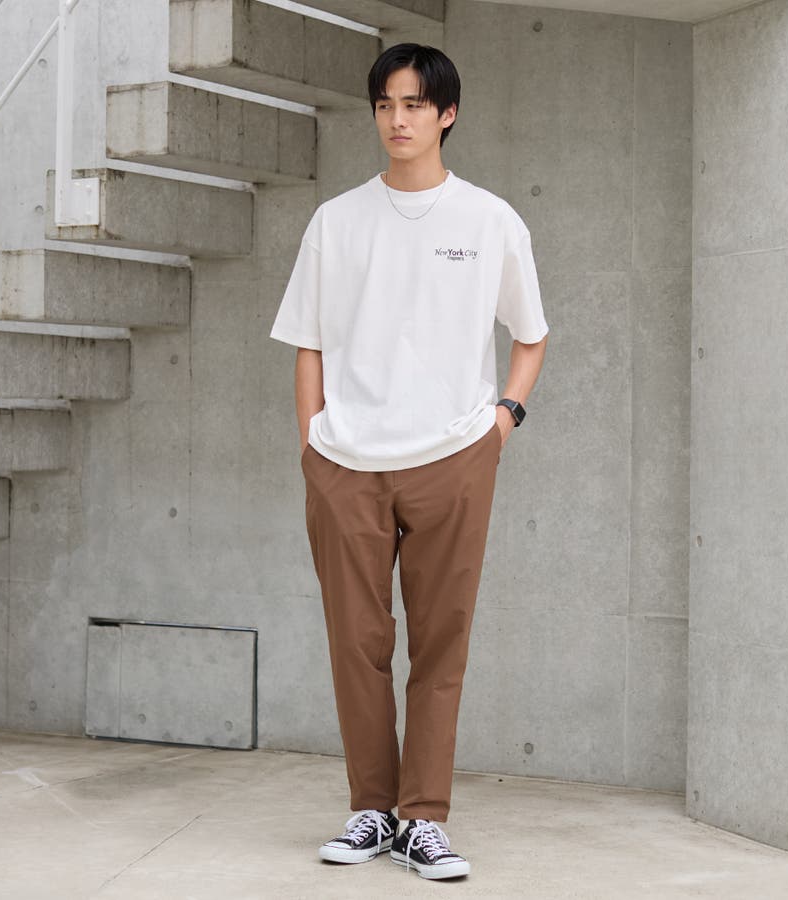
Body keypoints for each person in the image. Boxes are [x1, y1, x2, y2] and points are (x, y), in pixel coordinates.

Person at [270, 42, 548, 880]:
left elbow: (531, 335)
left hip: (455, 456)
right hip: (346, 462)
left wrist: (502, 420)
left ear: (446, 114)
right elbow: (308, 342)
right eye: (386, 104)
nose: (398, 119)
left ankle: (423, 819)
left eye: (415, 104)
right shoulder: (337, 221)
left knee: (440, 644)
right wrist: (312, 446)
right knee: (356, 643)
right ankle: (370, 810)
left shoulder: (490, 220)